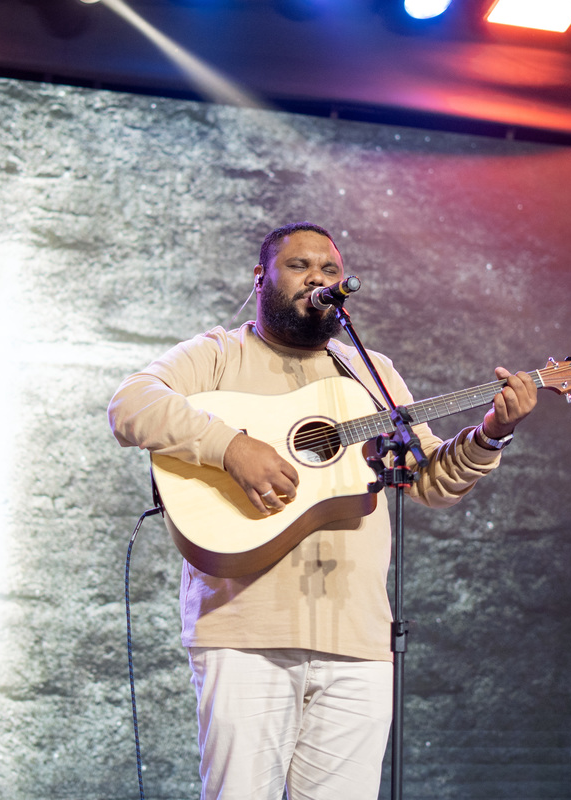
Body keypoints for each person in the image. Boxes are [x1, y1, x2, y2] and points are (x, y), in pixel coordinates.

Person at [106, 221, 537, 800]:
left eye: (331, 271)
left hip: (356, 640)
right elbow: (131, 404)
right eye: (300, 266)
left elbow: (429, 477)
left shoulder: (370, 372)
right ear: (261, 278)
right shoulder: (217, 354)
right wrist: (231, 447)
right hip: (244, 633)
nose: (319, 279)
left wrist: (492, 431)